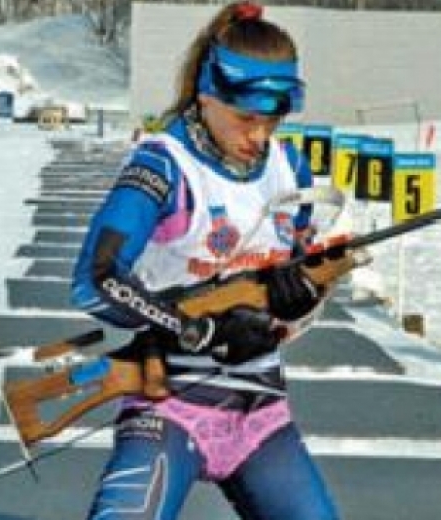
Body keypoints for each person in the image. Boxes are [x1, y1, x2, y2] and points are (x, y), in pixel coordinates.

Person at [71, 2, 340, 519]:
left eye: (273, 120)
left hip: (262, 416)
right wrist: (197, 330)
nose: (259, 136)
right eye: (246, 118)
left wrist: (301, 300)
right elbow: (95, 279)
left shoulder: (291, 167)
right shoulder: (163, 166)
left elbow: (301, 283)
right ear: (206, 93)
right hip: (168, 406)